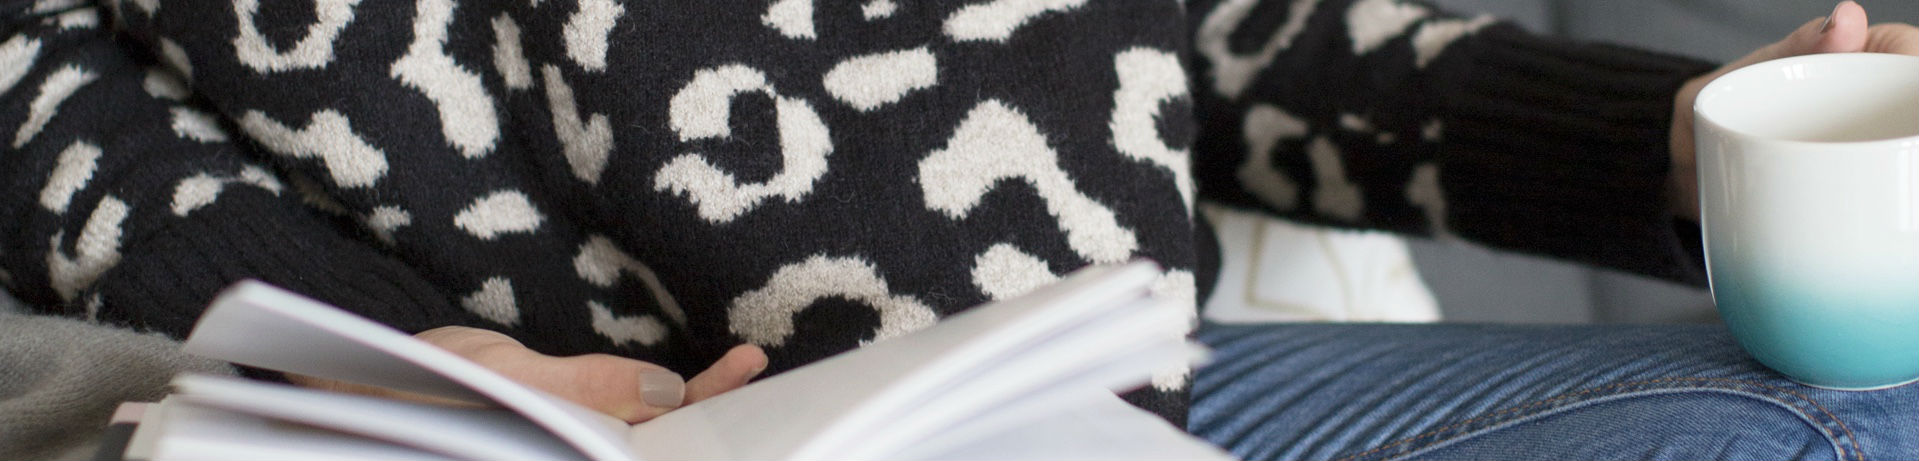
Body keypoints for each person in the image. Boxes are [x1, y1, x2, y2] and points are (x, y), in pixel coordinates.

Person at [0, 0, 1912, 458]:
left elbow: (1193, 44)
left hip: (1090, 384)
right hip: (522, 418)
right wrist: (384, 361)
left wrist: (1671, 140)